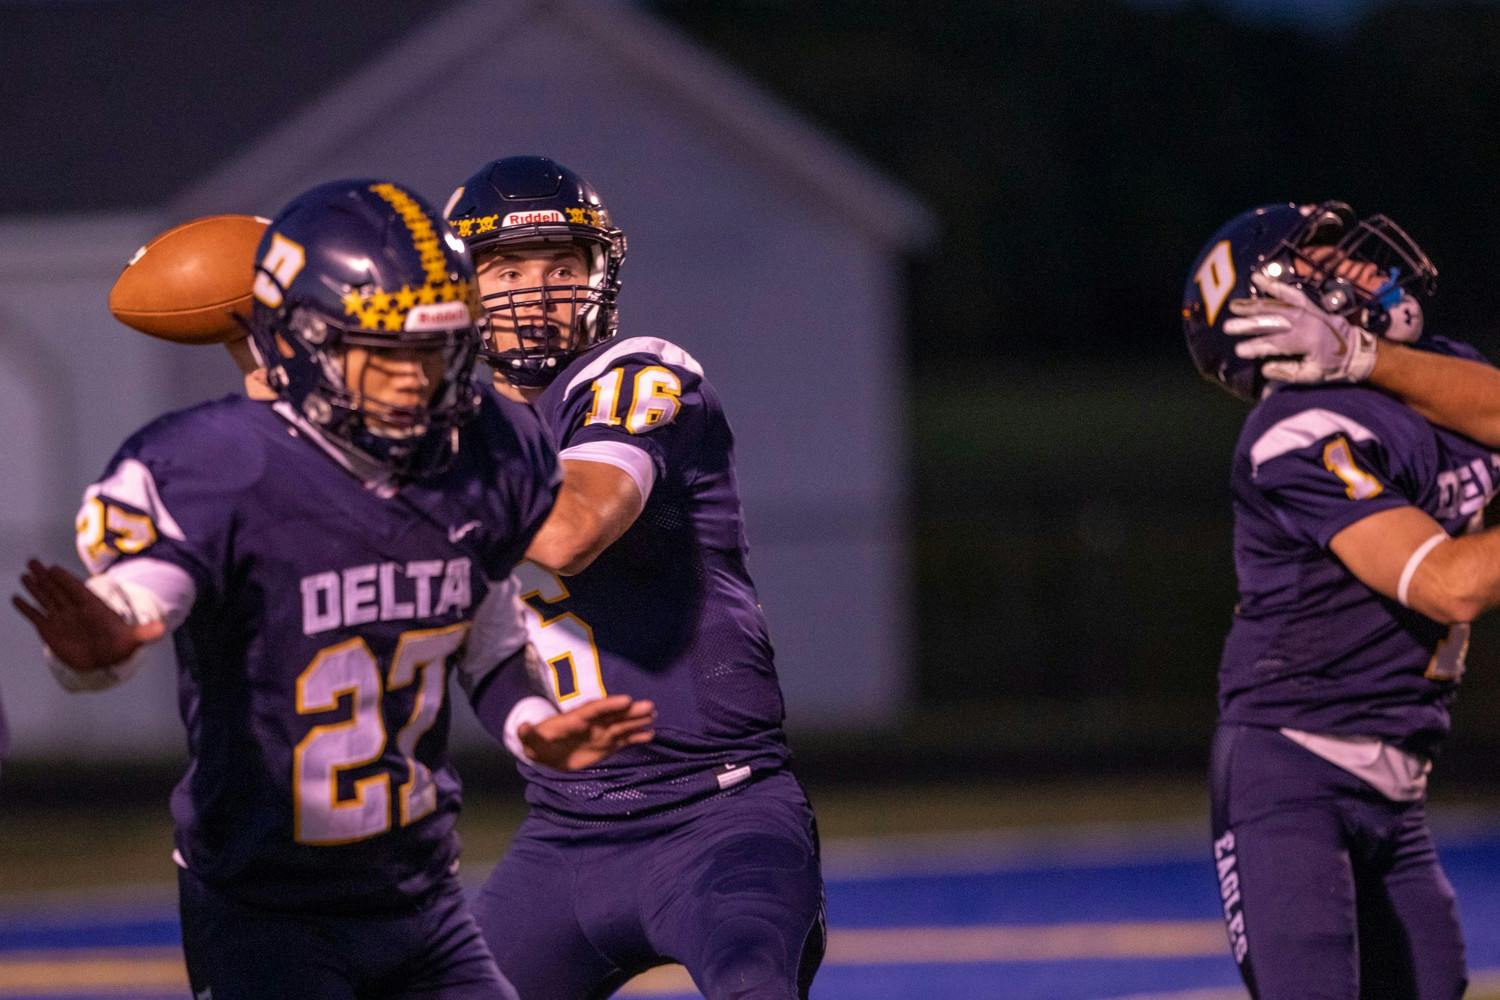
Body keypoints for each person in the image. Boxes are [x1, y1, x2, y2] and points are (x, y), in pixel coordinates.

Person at [12, 178, 653, 1000]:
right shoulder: (223, 465)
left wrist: (536, 726)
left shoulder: (479, 454)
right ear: (303, 342)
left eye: (437, 350)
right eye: (387, 353)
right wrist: (104, 644)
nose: (416, 383)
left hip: (418, 896)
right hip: (263, 909)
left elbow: (485, 634)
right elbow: (143, 595)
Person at [446, 156, 826, 999]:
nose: (536, 293)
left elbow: (572, 529)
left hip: (719, 818)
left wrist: (422, 479)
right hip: (564, 837)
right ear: (465, 290)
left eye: (562, 268)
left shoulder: (639, 373)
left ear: (600, 276)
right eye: (507, 270)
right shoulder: (451, 436)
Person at [1181, 200, 1500, 1000]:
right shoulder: (1295, 433)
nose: (1360, 266)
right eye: (1324, 260)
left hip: (1399, 783)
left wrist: (1367, 356)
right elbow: (1449, 583)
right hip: (1295, 775)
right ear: (1269, 312)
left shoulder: (1425, 376)